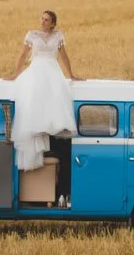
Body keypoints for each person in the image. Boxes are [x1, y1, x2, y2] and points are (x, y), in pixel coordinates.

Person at [5, 10, 80, 171]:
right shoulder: (31, 35)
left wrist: (71, 74)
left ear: (53, 23)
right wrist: (15, 74)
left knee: (56, 98)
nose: (43, 21)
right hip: (36, 70)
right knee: (34, 99)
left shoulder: (58, 35)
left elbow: (64, 56)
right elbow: (23, 55)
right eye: (42, 18)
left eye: (47, 20)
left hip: (53, 71)